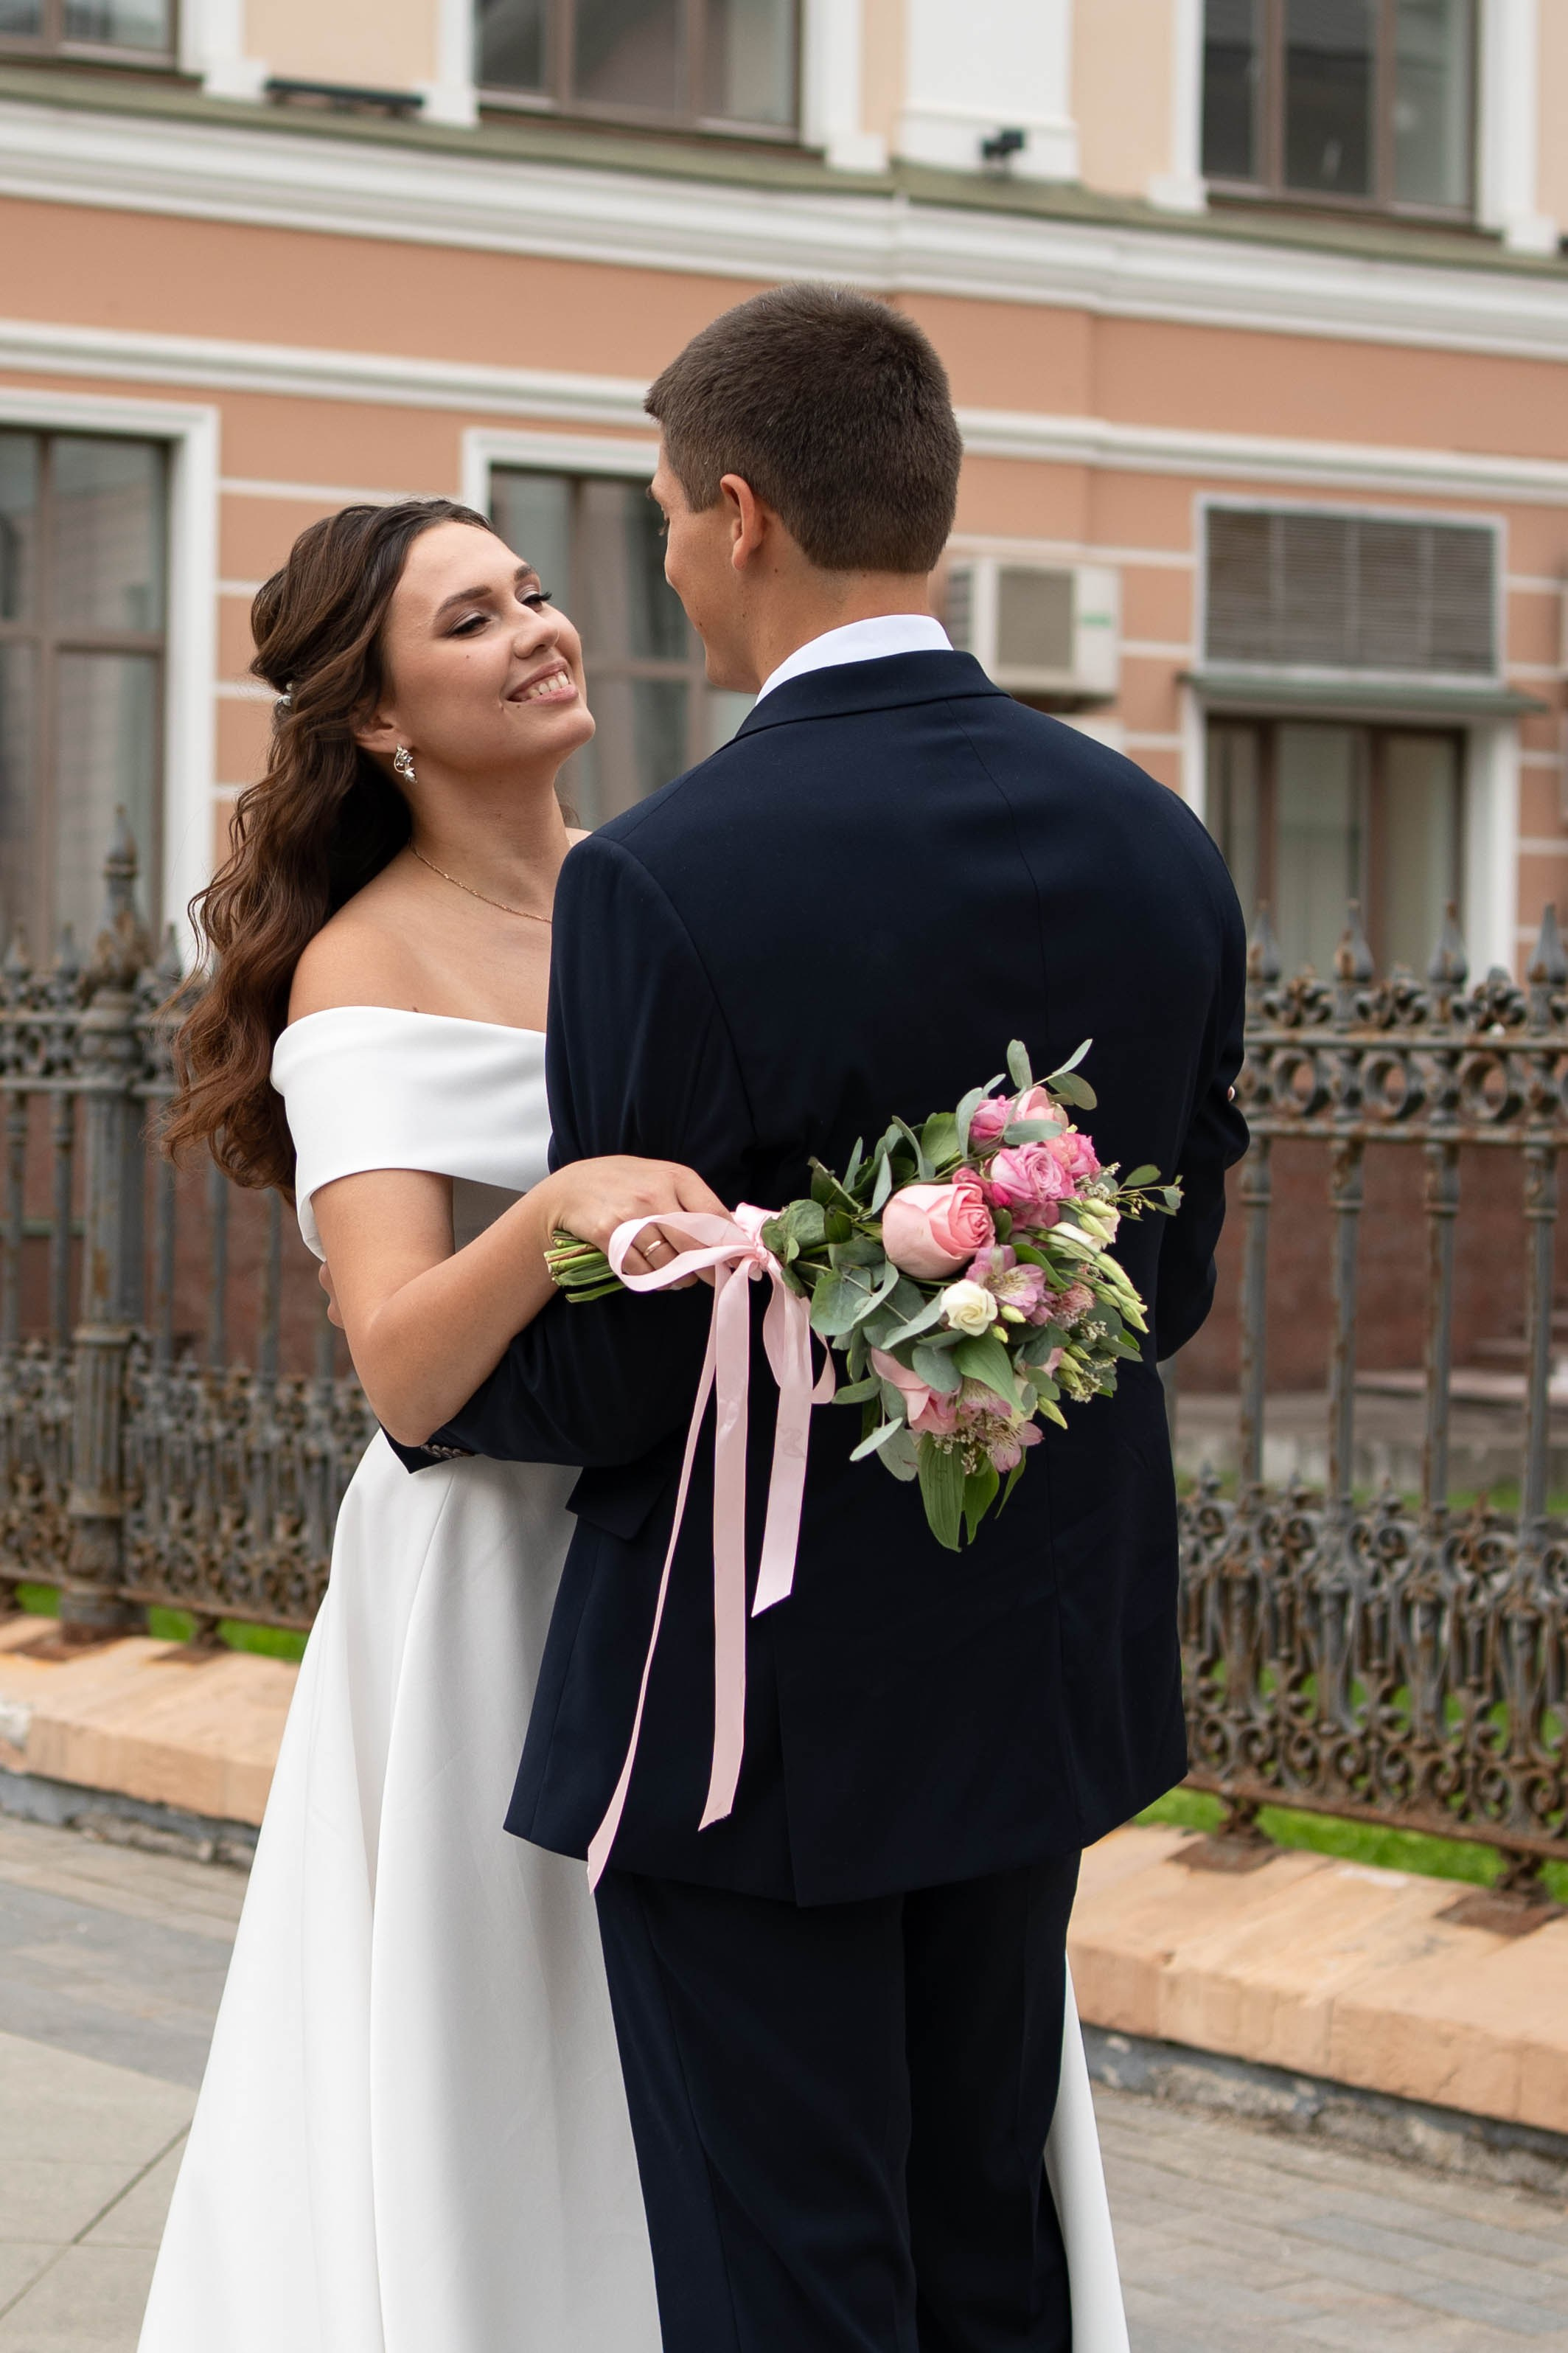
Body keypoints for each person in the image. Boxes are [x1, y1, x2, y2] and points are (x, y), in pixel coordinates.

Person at [394, 287, 1249, 2352]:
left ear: (742, 513)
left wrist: (432, 1393)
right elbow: (1165, 1282)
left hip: (755, 1709)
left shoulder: (664, 876)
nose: (667, 567)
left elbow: (630, 1355)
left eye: (663, 521)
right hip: (1036, 1651)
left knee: (787, 2275)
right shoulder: (1157, 839)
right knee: (984, 2250)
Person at [139, 496, 720, 2352]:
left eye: (532, 593)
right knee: (508, 2030)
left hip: (690, 1528)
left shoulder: (652, 896)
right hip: (491, 1573)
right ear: (379, 716)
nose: (538, 628)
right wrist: (558, 1213)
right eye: (469, 619)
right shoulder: (366, 966)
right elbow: (397, 1364)